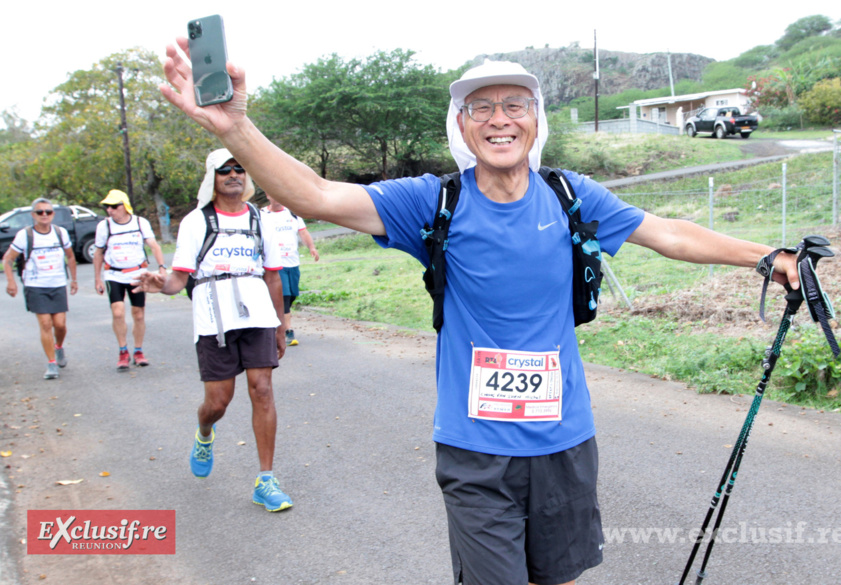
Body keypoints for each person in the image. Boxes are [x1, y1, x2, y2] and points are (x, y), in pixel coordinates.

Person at [160, 44, 801, 584]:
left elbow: (669, 233)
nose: (500, 119)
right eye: (482, 108)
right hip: (475, 454)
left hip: (565, 442)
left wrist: (765, 255)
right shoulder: (431, 202)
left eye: (514, 105)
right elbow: (318, 196)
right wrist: (235, 128)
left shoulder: (572, 195)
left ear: (535, 119)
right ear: (462, 125)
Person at [133, 148, 293, 512]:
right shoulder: (195, 222)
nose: (233, 175)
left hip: (256, 315)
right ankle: (205, 433)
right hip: (213, 317)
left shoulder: (260, 220)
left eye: (239, 169)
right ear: (213, 178)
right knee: (218, 402)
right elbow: (178, 280)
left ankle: (265, 480)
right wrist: (160, 283)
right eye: (225, 171)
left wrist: (280, 326)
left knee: (263, 390)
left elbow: (272, 275)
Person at [2, 198, 78, 380]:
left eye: (48, 212)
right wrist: (11, 281)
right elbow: (8, 259)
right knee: (45, 324)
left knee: (60, 325)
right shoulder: (25, 235)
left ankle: (58, 347)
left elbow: (71, 256)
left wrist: (74, 280)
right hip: (35, 285)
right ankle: (51, 364)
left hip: (57, 283)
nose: (44, 215)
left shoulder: (60, 233)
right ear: (33, 215)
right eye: (40, 212)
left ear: (53, 214)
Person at [93, 189, 167, 370]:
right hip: (114, 274)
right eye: (107, 207)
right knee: (118, 312)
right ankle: (123, 351)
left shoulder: (140, 223)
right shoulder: (105, 226)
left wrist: (161, 268)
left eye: (114, 206)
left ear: (125, 206)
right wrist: (97, 279)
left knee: (138, 314)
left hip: (137, 274)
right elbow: (98, 252)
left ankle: (139, 351)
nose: (110, 210)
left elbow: (153, 245)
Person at [261, 192, 319, 346]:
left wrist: (312, 247)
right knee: (284, 296)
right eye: (274, 193)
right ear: (268, 195)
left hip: (293, 262)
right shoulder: (262, 215)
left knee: (292, 294)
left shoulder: (292, 214)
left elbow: (303, 232)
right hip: (274, 263)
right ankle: (288, 331)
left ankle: (275, 321)